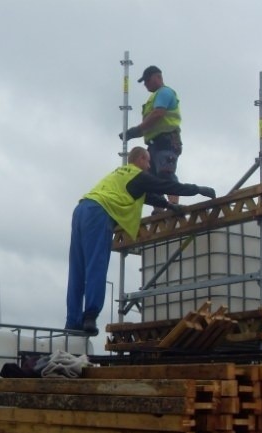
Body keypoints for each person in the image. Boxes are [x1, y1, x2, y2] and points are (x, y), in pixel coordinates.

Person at [66, 146, 215, 336]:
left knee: (77, 268)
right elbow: (166, 186)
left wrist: (169, 205)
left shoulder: (121, 173)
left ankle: (72, 321)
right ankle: (90, 317)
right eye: (148, 161)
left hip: (81, 210)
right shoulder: (138, 175)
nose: (150, 165)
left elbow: (147, 196)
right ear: (140, 159)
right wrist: (197, 190)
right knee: (96, 264)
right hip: (99, 213)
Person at [120, 65, 184, 213]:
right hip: (155, 143)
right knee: (152, 179)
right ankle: (159, 210)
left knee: (165, 173)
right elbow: (150, 124)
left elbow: (158, 114)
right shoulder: (153, 99)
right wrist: (133, 133)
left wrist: (138, 129)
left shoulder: (164, 93)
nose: (146, 84)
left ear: (158, 77)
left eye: (147, 80)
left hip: (167, 141)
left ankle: (172, 205)